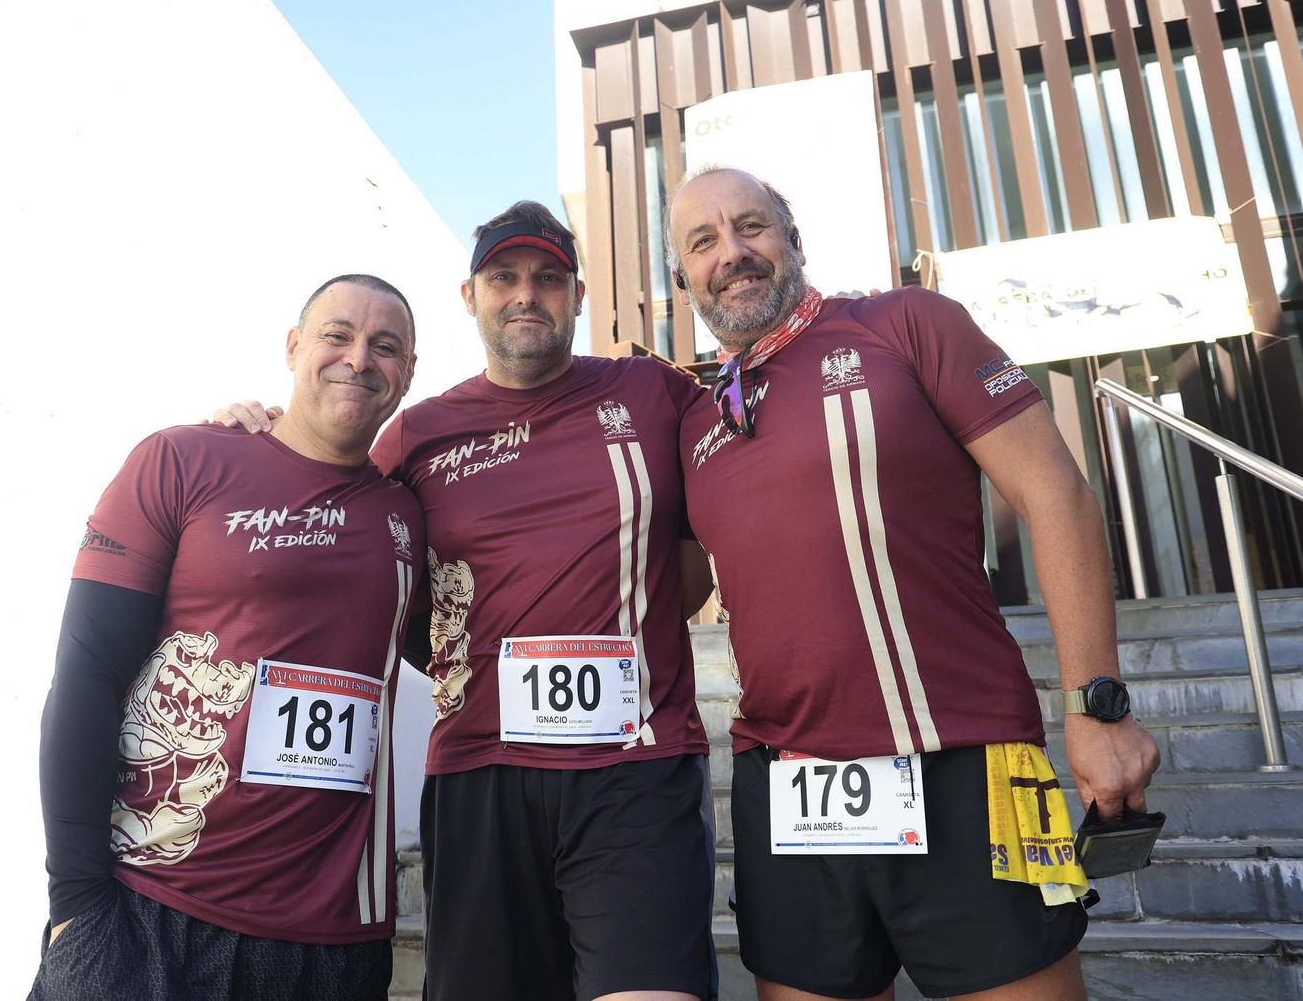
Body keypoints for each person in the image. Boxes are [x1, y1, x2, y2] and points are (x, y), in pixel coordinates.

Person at [665, 165, 1161, 1001]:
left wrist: (1096, 705)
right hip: (789, 784)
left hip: (965, 760)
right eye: (703, 241)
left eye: (752, 225)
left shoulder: (906, 323)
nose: (734, 253)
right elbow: (663, 595)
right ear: (684, 280)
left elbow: (1058, 495)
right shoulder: (693, 421)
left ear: (793, 239)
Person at [216, 202, 719, 1001]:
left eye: (548, 280)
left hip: (634, 770)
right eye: (504, 278)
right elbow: (344, 528)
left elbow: (701, 559)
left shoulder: (652, 392)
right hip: (477, 774)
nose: (527, 295)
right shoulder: (417, 434)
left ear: (578, 295)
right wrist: (251, 439)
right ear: (470, 295)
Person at [32, 275, 425, 1001]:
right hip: (151, 912)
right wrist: (76, 906)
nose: (360, 358)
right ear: (293, 347)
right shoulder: (182, 460)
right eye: (337, 335)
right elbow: (86, 675)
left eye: (386, 346)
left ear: (407, 376)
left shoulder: (409, 511)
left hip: (332, 946)